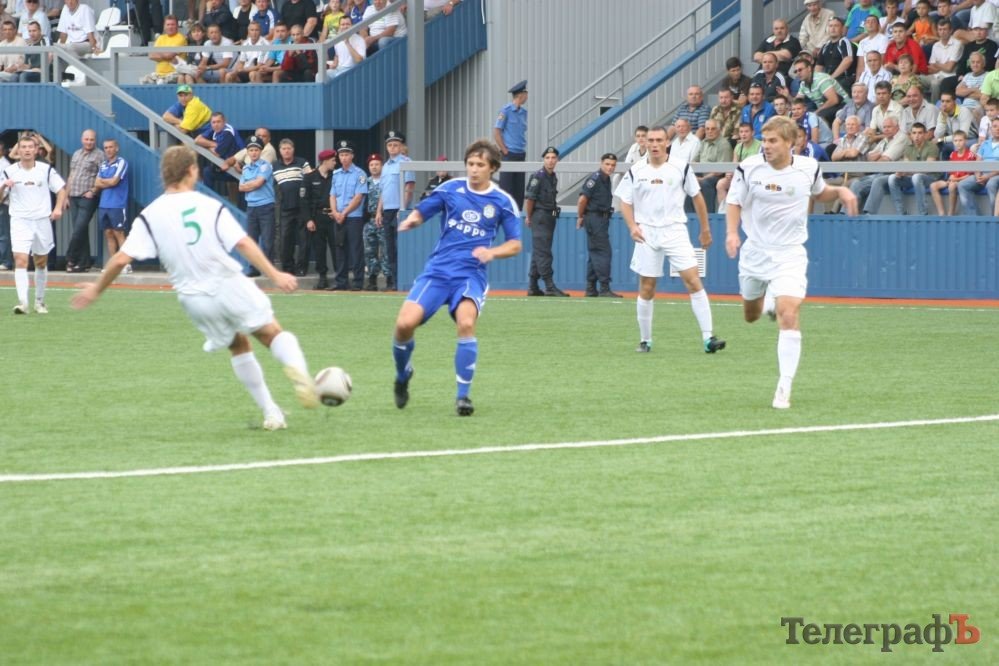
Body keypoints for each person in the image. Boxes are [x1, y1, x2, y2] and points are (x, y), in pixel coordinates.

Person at [71, 146, 321, 431]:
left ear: (165, 175)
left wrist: (96, 289)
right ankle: (300, 375)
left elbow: (120, 258)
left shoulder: (150, 214)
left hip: (194, 299)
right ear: (192, 171)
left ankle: (271, 412)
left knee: (238, 344)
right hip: (227, 283)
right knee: (271, 333)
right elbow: (243, 243)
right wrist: (274, 273)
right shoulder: (208, 205)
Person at [725, 115, 858, 409]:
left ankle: (784, 387)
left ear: (790, 142)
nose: (766, 146)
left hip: (790, 253)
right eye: (765, 140)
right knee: (751, 314)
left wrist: (840, 191)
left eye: (773, 141)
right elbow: (733, 202)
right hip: (755, 253)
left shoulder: (808, 168)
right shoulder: (749, 168)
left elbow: (820, 193)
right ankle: (766, 301)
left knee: (789, 314)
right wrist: (732, 233)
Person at [391, 139, 521, 417]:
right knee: (403, 325)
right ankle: (403, 375)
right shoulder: (450, 189)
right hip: (437, 272)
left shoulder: (502, 201)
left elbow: (515, 244)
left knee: (465, 323)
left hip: (470, 276)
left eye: (480, 165)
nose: (474, 170)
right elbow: (423, 211)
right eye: (470, 164)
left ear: (493, 168)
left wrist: (492, 252)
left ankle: (463, 397)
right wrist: (412, 220)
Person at [614, 126, 725, 356]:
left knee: (693, 281)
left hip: (675, 230)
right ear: (645, 143)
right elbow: (625, 201)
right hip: (647, 233)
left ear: (667, 143)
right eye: (650, 140)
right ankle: (645, 340)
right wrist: (632, 226)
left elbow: (697, 197)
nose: (654, 144)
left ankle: (708, 337)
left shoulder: (681, 167)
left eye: (659, 140)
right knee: (647, 286)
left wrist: (705, 229)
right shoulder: (636, 170)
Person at [0, 133, 67, 314]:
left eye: (31, 147)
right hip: (20, 220)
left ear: (37, 150)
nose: (27, 150)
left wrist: (58, 208)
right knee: (20, 260)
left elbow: (61, 189)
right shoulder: (9, 171)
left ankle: (39, 300)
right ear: (18, 150)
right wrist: (4, 186)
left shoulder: (46, 170)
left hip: (42, 220)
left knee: (41, 261)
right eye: (24, 147)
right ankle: (23, 303)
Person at [524, 146, 566, 297]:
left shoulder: (552, 176)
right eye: (547, 158)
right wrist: (529, 217)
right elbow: (530, 199)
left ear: (557, 160)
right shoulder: (538, 176)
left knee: (539, 252)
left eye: (553, 158)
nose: (550, 160)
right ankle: (549, 286)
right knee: (544, 253)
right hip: (540, 216)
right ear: (543, 160)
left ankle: (533, 286)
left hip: (549, 216)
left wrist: (554, 214)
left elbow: (552, 201)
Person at [577, 153, 620, 298]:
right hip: (594, 218)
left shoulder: (606, 179)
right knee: (603, 253)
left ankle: (590, 287)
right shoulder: (594, 179)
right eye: (607, 164)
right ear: (601, 163)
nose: (610, 167)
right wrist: (580, 216)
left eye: (613, 165)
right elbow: (582, 200)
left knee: (594, 254)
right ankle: (604, 287)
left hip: (600, 219)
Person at [328, 139, 367, 290]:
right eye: (341, 154)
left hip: (353, 217)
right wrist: (335, 212)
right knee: (340, 249)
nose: (343, 157)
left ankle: (357, 282)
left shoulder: (360, 174)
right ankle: (341, 282)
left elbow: (358, 197)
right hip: (339, 218)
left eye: (346, 154)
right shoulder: (336, 174)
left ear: (352, 156)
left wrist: (343, 212)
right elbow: (332, 195)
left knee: (356, 250)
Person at [377, 130, 413, 292]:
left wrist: (403, 208)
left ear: (401, 146)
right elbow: (383, 191)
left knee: (401, 247)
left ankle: (401, 280)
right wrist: (379, 211)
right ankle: (392, 281)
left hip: (399, 210)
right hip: (387, 210)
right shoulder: (385, 167)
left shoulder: (406, 162)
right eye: (390, 145)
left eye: (396, 145)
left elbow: (409, 187)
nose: (392, 148)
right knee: (389, 247)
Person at [272, 138, 312, 276]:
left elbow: (311, 181)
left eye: (289, 148)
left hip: (302, 208)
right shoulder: (274, 166)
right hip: (285, 208)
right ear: (280, 151)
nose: (286, 151)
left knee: (303, 240)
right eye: (283, 149)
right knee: (285, 240)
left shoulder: (302, 163)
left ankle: (301, 268)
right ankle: (288, 268)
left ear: (293, 149)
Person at [64, 128, 101, 273]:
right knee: (80, 231)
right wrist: (66, 196)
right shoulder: (76, 154)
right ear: (82, 139)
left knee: (79, 228)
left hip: (88, 198)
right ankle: (84, 263)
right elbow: (71, 175)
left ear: (95, 140)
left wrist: (94, 191)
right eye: (87, 139)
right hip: (73, 197)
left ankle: (70, 257)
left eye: (92, 139)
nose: (89, 142)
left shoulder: (99, 155)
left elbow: (102, 175)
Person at [238, 135, 276, 271]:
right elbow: (240, 187)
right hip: (251, 207)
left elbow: (259, 183)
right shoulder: (246, 168)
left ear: (260, 152)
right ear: (247, 152)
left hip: (266, 206)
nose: (253, 153)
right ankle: (253, 268)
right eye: (251, 150)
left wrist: (250, 184)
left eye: (256, 150)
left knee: (267, 241)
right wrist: (252, 184)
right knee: (252, 241)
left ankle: (268, 269)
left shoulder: (266, 166)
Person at [94, 138, 130, 273]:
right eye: (106, 148)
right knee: (108, 233)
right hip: (104, 204)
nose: (108, 150)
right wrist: (105, 182)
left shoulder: (122, 162)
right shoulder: (103, 164)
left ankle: (125, 264)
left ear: (116, 148)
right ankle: (114, 266)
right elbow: (96, 183)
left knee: (119, 233)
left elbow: (115, 181)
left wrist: (104, 182)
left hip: (118, 204)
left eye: (110, 147)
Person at [887, 122, 938, 215]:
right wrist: (901, 172)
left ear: (925, 134)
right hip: (913, 177)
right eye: (914, 133)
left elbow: (927, 169)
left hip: (931, 178)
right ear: (910, 135)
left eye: (920, 133)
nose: (917, 136)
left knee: (917, 177)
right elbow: (907, 166)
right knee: (892, 178)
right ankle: (901, 213)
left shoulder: (932, 146)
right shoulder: (908, 148)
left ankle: (923, 213)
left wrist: (907, 171)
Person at [304, 148, 337, 290]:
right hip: (317, 217)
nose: (335, 163)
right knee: (319, 249)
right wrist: (308, 219)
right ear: (325, 161)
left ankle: (339, 276)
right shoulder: (310, 177)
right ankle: (322, 278)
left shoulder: (336, 176)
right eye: (333, 160)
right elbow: (304, 201)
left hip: (333, 216)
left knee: (337, 247)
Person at [493, 79, 528, 209]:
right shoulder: (506, 111)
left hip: (520, 153)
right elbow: (497, 131)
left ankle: (517, 214)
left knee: (519, 189)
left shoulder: (524, 113)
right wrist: (504, 150)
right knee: (507, 189)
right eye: (526, 93)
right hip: (509, 154)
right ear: (520, 95)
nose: (527, 96)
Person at [930, 130, 977, 215]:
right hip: (953, 179)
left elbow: (970, 175)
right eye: (955, 141)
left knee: (951, 186)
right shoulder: (952, 154)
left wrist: (956, 179)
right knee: (933, 186)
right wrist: (952, 177)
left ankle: (951, 212)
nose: (958, 143)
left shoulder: (970, 154)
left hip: (961, 181)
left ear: (965, 141)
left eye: (960, 140)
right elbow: (951, 172)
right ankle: (941, 213)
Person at [139, 15, 186, 85]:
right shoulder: (160, 38)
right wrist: (166, 55)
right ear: (164, 26)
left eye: (173, 24)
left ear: (177, 26)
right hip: (158, 74)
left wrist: (160, 54)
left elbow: (169, 55)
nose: (170, 27)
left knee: (161, 83)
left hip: (174, 73)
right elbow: (151, 55)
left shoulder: (181, 38)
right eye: (168, 24)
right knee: (143, 81)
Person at [363, 152, 386, 291]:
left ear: (381, 166)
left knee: (385, 251)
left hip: (384, 218)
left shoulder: (386, 180)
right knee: (369, 250)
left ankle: (389, 278)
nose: (374, 167)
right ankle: (372, 279)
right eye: (371, 165)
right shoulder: (365, 182)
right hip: (369, 219)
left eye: (377, 164)